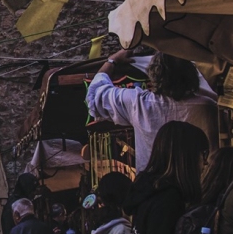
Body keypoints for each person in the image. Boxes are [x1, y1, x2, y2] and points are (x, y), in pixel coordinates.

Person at [87, 49, 220, 170]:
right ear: (191, 74)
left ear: (154, 74)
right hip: (200, 186)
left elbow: (95, 95)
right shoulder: (209, 107)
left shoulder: (138, 103)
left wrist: (112, 61)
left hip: (153, 186)